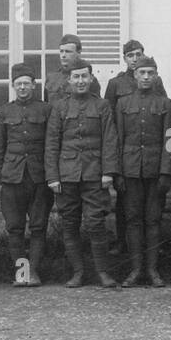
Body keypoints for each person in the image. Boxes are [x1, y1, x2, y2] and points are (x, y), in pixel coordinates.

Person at [45, 58, 118, 288]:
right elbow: (51, 143)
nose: (80, 81)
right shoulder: (59, 107)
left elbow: (110, 140)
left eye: (84, 76)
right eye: (76, 77)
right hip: (66, 176)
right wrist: (53, 177)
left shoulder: (102, 106)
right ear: (68, 80)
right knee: (70, 224)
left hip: (94, 174)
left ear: (91, 78)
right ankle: (77, 273)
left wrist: (108, 172)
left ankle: (103, 273)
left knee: (96, 224)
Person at [113, 55, 171, 287]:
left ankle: (152, 270)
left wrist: (166, 173)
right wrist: (118, 173)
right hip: (130, 172)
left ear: (156, 75)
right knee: (132, 221)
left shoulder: (165, 104)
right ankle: (135, 270)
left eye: (151, 73)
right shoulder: (123, 104)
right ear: (135, 75)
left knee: (153, 220)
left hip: (155, 172)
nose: (146, 77)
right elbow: (117, 140)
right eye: (142, 73)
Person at [0, 62, 52, 286]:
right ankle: (21, 272)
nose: (23, 87)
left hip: (38, 177)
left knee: (38, 226)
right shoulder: (5, 111)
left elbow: (51, 143)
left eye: (27, 83)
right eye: (19, 84)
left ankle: (33, 271)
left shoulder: (45, 109)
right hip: (11, 178)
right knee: (14, 227)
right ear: (13, 86)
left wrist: (51, 177)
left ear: (34, 85)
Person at [103, 40, 163, 255]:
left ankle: (152, 250)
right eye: (130, 55)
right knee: (125, 207)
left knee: (151, 210)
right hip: (128, 153)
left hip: (151, 154)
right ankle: (123, 243)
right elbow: (110, 120)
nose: (134, 58)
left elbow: (164, 118)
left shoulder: (155, 82)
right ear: (125, 59)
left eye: (138, 54)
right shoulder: (115, 84)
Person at [45, 34, 102, 102]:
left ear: (79, 53)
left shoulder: (88, 80)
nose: (63, 55)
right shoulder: (51, 78)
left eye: (68, 52)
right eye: (61, 51)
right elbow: (46, 105)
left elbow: (95, 105)